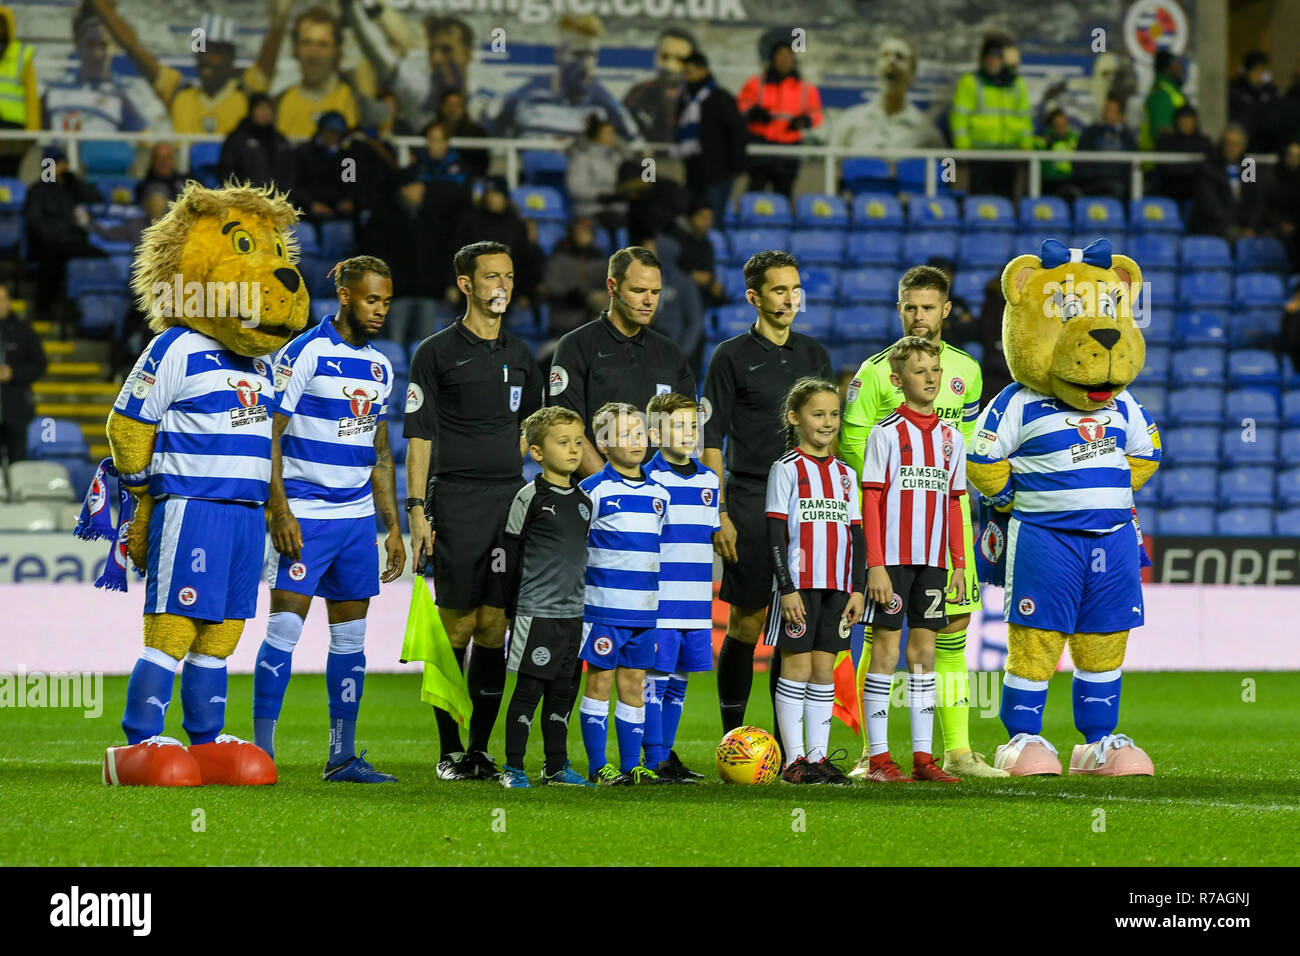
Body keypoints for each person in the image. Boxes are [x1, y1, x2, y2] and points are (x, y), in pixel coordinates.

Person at [840, 265, 1005, 779]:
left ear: (946, 311)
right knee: (880, 639)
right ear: (899, 309)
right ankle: (873, 753)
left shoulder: (967, 371)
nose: (918, 316)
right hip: (891, 527)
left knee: (949, 635)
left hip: (947, 526)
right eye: (910, 307)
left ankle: (956, 751)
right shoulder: (875, 373)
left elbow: (971, 447)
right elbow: (851, 446)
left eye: (927, 307)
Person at [251, 256, 405, 781]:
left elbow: (380, 453)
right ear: (344, 295)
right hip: (306, 519)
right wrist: (280, 510)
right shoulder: (306, 353)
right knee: (284, 632)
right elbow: (268, 433)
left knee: (350, 644)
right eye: (371, 300)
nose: (380, 310)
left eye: (386, 301)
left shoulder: (383, 367)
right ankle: (261, 754)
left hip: (357, 524)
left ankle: (341, 756)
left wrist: (392, 530)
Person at [404, 240, 543, 781]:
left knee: (495, 627)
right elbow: (417, 439)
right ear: (466, 284)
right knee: (455, 626)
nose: (502, 286)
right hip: (457, 501)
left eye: (508, 276)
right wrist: (418, 510)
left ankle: (481, 750)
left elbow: (542, 433)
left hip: (510, 501)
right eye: (491, 277)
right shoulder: (435, 353)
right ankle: (448, 749)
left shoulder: (521, 355)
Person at [702, 249, 832, 737]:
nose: (789, 299)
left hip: (809, 500)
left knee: (797, 625)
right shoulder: (730, 356)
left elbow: (825, 430)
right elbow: (710, 439)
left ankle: (788, 746)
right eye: (779, 290)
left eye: (794, 289)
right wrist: (719, 511)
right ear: (754, 297)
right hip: (752, 497)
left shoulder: (814, 354)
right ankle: (733, 738)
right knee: (748, 620)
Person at [859, 336, 968, 783]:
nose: (929, 378)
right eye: (919, 371)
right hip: (894, 562)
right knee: (885, 649)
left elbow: (955, 500)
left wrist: (959, 564)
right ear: (897, 379)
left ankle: (924, 759)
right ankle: (879, 759)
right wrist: (876, 565)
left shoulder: (951, 439)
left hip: (933, 562)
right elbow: (871, 502)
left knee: (924, 652)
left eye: (935, 370)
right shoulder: (885, 433)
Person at [764, 378, 864, 785]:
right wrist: (786, 588)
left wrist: (857, 589)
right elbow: (775, 532)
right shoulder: (786, 468)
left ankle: (819, 759)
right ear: (795, 418)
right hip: (799, 586)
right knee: (798, 667)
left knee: (824, 668)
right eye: (817, 414)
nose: (828, 422)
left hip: (838, 587)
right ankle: (794, 760)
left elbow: (856, 534)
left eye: (834, 414)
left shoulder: (845, 474)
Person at [498, 405, 596, 789]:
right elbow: (507, 554)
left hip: (573, 613)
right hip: (536, 611)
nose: (573, 450)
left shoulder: (585, 502)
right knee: (529, 689)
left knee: (563, 691)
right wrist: (510, 609)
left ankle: (556, 766)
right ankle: (513, 767)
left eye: (577, 442)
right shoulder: (530, 497)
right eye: (563, 442)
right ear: (537, 452)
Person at [576, 402, 672, 784]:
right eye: (622, 435)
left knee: (635, 684)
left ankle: (633, 764)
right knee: (599, 682)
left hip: (644, 611)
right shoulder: (592, 491)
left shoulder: (660, 494)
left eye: (639, 433)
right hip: (603, 609)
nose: (634, 441)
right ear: (601, 444)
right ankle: (600, 766)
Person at [548, 246, 696, 479]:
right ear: (612, 287)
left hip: (660, 496)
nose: (649, 301)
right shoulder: (576, 346)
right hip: (596, 497)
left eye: (655, 292)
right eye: (638, 290)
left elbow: (686, 429)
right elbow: (567, 428)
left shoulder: (670, 352)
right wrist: (612, 488)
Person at [642, 391, 719, 782]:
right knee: (654, 681)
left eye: (693, 425)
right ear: (655, 433)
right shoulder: (648, 480)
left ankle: (666, 756)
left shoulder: (709, 479)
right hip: (661, 602)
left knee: (680, 683)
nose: (688, 433)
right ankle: (653, 758)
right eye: (677, 425)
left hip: (696, 603)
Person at [86, 0, 289, 136]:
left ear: (231, 57)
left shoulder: (247, 92)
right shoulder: (178, 92)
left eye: (215, 51)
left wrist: (279, 20)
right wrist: (104, 9)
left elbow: (267, 61)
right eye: (201, 49)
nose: (206, 58)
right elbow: (133, 48)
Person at [344, 7, 491, 135]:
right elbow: (375, 51)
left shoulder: (484, 100)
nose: (436, 59)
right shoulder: (416, 89)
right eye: (432, 50)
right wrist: (351, 8)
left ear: (467, 55)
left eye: (446, 50)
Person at [492, 14, 638, 141]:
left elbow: (638, 145)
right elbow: (491, 126)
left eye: (592, 55)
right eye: (579, 54)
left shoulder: (604, 103)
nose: (587, 64)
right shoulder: (527, 95)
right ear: (559, 55)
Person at [362, 166, 446, 345]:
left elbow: (438, 254)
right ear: (404, 188)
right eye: (416, 185)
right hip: (397, 294)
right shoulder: (383, 216)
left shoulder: (429, 217)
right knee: (394, 345)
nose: (421, 189)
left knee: (425, 349)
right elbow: (376, 256)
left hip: (426, 292)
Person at [41, 1, 146, 134]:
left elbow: (146, 140)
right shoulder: (54, 91)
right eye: (89, 44)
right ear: (78, 46)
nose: (96, 53)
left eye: (103, 45)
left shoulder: (121, 94)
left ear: (113, 47)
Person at [737, 37, 823, 198]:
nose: (785, 60)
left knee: (783, 192)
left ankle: (780, 221)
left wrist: (805, 121)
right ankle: (752, 221)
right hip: (761, 142)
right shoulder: (756, 83)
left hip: (789, 146)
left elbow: (816, 113)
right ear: (772, 59)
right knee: (756, 189)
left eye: (788, 56)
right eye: (780, 56)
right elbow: (742, 104)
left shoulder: (806, 88)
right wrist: (753, 113)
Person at [22, 147, 104, 314]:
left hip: (71, 241)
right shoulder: (37, 190)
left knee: (102, 257)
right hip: (47, 244)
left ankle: (89, 308)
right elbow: (36, 224)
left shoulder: (69, 189)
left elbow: (96, 198)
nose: (62, 167)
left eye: (63, 163)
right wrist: (60, 233)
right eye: (58, 164)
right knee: (51, 257)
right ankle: (43, 310)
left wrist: (74, 181)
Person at [949, 35, 1033, 198]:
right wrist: (963, 146)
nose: (993, 61)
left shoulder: (1016, 83)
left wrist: (1026, 146)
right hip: (979, 153)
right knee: (978, 198)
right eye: (989, 57)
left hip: (1010, 152)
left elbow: (1025, 118)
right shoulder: (970, 81)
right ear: (982, 59)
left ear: (1003, 60)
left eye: (997, 57)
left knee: (1007, 199)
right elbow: (959, 116)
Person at [831, 35, 944, 153]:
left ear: (912, 72)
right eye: (885, 55)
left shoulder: (926, 133)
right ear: (876, 67)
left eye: (900, 57)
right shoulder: (849, 122)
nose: (891, 61)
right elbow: (831, 166)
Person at [674, 51, 747, 224]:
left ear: (703, 71)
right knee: (693, 220)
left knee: (712, 221)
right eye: (685, 72)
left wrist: (736, 166)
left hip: (719, 173)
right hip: (693, 172)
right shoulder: (685, 100)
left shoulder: (721, 97)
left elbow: (737, 131)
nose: (687, 76)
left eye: (690, 71)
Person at [273, 6, 360, 139]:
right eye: (306, 43)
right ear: (295, 49)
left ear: (337, 51)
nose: (314, 54)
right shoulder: (279, 103)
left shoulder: (352, 100)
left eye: (323, 44)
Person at [1188, 124, 1266, 241]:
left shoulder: (1248, 167)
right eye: (1227, 143)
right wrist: (1233, 225)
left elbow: (1256, 200)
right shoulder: (1208, 168)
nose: (1230, 148)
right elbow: (1210, 205)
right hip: (1215, 226)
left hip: (1242, 226)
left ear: (1243, 147)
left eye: (1235, 144)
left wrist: (1250, 226)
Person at [542, 218, 609, 340]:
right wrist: (568, 295)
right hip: (563, 321)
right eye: (577, 232)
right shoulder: (559, 258)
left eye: (585, 232)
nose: (580, 235)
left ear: (592, 234)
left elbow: (608, 290)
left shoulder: (601, 261)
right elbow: (550, 286)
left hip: (591, 322)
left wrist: (589, 298)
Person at [0, 283, 45, 464]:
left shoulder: (24, 330)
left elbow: (40, 365)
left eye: (1, 300)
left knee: (18, 463)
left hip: (16, 409)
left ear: (9, 302)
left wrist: (13, 373)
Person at [624, 27, 695, 142]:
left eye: (679, 59)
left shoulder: (700, 96)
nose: (669, 66)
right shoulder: (638, 93)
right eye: (664, 57)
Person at [219, 93, 296, 192]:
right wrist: (239, 196)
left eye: (268, 108)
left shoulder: (280, 140)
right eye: (260, 108)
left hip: (276, 202)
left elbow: (290, 174)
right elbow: (226, 171)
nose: (265, 112)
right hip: (245, 201)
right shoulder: (237, 138)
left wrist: (286, 196)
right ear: (251, 111)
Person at [566, 114, 629, 234]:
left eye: (613, 133)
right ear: (595, 136)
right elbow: (576, 188)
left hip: (618, 208)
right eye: (608, 133)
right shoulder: (581, 158)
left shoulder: (616, 158)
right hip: (592, 210)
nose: (612, 137)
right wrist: (602, 196)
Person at [292, 111, 358, 225]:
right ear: (321, 131)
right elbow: (295, 185)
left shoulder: (347, 158)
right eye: (330, 132)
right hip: (310, 211)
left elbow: (351, 184)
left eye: (338, 133)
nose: (334, 136)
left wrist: (348, 201)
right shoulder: (304, 153)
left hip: (338, 212)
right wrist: (311, 203)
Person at [0, 5, 39, 178]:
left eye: (1, 24)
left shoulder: (21, 54)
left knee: (9, 176)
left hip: (13, 128)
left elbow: (31, 96)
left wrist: (33, 130)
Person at [1076, 96, 1138, 200]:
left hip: (1122, 180)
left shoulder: (1127, 136)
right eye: (1107, 109)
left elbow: (1134, 158)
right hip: (1094, 181)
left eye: (1112, 111)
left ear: (1120, 115)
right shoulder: (1091, 132)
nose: (1108, 113)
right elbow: (1081, 160)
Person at [670, 200, 724, 307]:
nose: (708, 222)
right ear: (690, 217)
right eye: (703, 217)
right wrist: (690, 277)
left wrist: (713, 284)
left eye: (710, 218)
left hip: (702, 296)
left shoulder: (706, 244)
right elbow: (667, 271)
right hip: (678, 295)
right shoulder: (674, 240)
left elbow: (709, 273)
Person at [1155, 104, 1213, 203]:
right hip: (1170, 189)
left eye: (1189, 119)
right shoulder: (1166, 142)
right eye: (1182, 119)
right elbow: (1165, 168)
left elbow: (1210, 167)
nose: (1185, 123)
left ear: (1194, 122)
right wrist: (1193, 168)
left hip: (1197, 191)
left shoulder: (1204, 143)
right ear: (1176, 121)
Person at [1228, 51, 1281, 156]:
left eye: (1262, 71)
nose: (1259, 75)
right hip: (1243, 146)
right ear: (1247, 71)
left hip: (1267, 146)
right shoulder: (1235, 90)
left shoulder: (1271, 92)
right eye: (1256, 71)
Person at [435, 88, 489, 180]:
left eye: (457, 105)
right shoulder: (430, 130)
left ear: (463, 107)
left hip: (467, 180)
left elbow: (482, 163)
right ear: (442, 107)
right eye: (449, 104)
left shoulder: (476, 132)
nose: (453, 109)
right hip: (436, 178)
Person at [1139, 50, 1187, 152]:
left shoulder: (1170, 89)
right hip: (1164, 156)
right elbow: (1162, 130)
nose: (1180, 67)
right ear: (1167, 67)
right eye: (1175, 63)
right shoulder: (1162, 93)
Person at [1034, 108, 1080, 199]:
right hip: (1051, 182)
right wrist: (1048, 139)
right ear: (1051, 126)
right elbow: (1034, 148)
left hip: (1072, 179)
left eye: (1063, 124)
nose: (1061, 128)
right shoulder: (1045, 140)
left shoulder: (1075, 139)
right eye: (1057, 125)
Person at [414, 119, 470, 190]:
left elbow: (453, 191)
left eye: (434, 140)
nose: (430, 144)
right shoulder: (420, 163)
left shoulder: (460, 166)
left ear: (446, 142)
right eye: (428, 139)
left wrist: (425, 189)